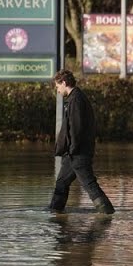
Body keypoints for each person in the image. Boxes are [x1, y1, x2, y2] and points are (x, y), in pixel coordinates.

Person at [49, 69, 115, 214]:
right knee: (62, 183)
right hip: (73, 153)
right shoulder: (74, 98)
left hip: (78, 153)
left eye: (57, 86)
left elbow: (76, 128)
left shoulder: (76, 99)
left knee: (89, 184)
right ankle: (54, 213)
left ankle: (107, 213)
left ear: (64, 83)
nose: (57, 90)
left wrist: (72, 149)